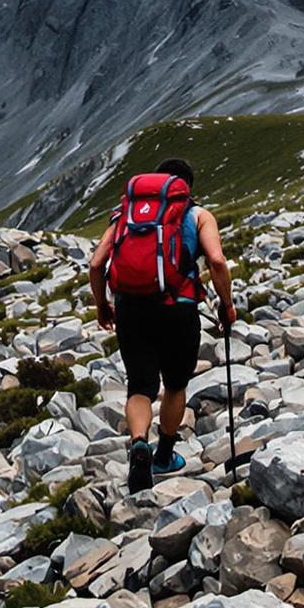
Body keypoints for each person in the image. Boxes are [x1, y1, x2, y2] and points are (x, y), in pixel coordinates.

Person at [91, 157, 236, 492]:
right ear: (187, 186)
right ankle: (164, 454)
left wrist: (102, 305)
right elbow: (216, 260)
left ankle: (139, 442)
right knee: (174, 384)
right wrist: (226, 305)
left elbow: (97, 263)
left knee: (139, 386)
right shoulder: (198, 215)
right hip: (178, 311)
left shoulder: (124, 215)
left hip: (131, 310)